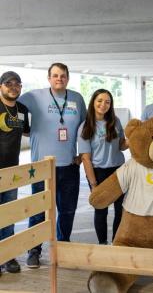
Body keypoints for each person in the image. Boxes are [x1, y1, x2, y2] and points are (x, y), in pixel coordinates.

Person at [18, 63, 87, 268]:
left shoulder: (77, 99)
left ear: (68, 78)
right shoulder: (33, 96)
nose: (59, 79)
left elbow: (85, 128)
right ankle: (34, 251)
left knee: (67, 211)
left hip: (68, 165)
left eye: (63, 75)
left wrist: (82, 154)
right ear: (49, 78)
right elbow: (11, 106)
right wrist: (23, 129)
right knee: (38, 212)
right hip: (41, 167)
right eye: (55, 75)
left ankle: (62, 247)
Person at [78, 89, 127, 244]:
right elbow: (86, 159)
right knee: (101, 211)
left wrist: (134, 139)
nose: (103, 105)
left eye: (107, 102)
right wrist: (93, 184)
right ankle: (103, 244)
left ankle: (116, 242)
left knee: (121, 209)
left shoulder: (115, 121)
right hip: (98, 172)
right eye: (100, 100)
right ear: (93, 102)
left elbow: (121, 145)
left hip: (118, 170)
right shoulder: (85, 126)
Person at [0, 71, 30, 274]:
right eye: (8, 83)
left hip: (12, 171)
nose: (13, 87)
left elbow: (28, 131)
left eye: (17, 84)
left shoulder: (22, 109)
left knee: (9, 214)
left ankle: (9, 256)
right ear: (1, 86)